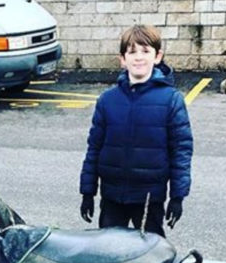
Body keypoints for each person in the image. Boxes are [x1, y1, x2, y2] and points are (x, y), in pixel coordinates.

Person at [79, 24, 193, 236]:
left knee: (149, 255)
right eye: (132, 52)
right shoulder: (107, 101)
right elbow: (94, 149)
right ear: (122, 59)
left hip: (149, 197)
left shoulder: (171, 100)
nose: (138, 57)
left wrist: (178, 196)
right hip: (112, 196)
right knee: (109, 251)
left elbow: (181, 151)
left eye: (145, 51)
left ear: (157, 56)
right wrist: (88, 192)